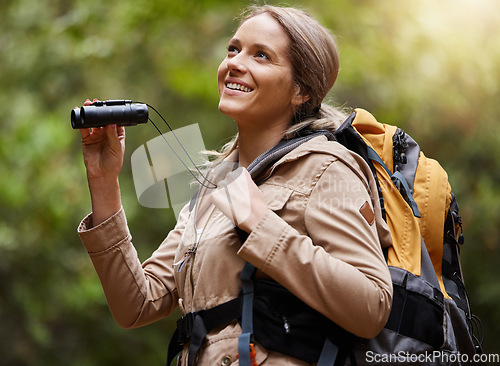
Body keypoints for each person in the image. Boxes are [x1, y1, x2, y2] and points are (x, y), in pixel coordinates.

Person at [77, 5, 393, 366]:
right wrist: (103, 182)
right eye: (233, 49)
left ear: (301, 91)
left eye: (261, 55)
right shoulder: (213, 187)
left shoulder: (325, 168)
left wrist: (260, 223)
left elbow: (372, 306)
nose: (235, 63)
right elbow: (136, 305)